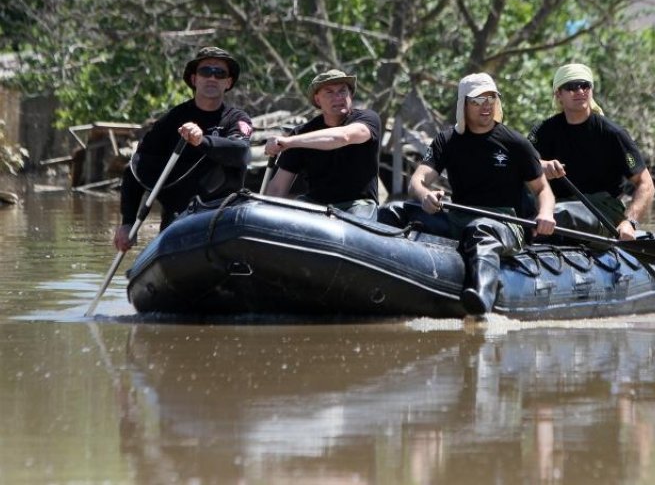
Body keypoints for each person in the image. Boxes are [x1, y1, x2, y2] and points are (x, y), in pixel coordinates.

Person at [379, 73, 556, 316]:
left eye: (491, 98)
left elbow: (543, 189)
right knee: (392, 211)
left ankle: (481, 298)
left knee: (480, 229)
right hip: (459, 217)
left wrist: (545, 213)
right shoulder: (447, 140)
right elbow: (417, 182)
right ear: (464, 103)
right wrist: (425, 196)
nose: (486, 106)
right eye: (477, 100)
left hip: (505, 222)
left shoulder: (515, 142)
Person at [113, 46, 253, 251]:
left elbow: (240, 151)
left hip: (223, 215)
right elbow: (135, 169)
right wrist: (127, 222)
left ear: (228, 82)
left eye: (220, 73)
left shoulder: (237, 119)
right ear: (194, 79)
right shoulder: (171, 121)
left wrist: (201, 141)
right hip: (179, 219)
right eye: (206, 71)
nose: (212, 78)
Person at [527, 62, 655, 241]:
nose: (580, 91)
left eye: (585, 85)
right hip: (555, 207)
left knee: (560, 215)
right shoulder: (543, 131)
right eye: (571, 87)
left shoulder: (613, 134)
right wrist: (541, 165)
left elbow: (645, 184)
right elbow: (520, 166)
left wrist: (630, 222)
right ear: (558, 94)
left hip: (602, 211)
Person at [264, 68, 381, 219]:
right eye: (329, 92)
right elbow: (277, 188)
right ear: (317, 100)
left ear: (351, 95)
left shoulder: (368, 119)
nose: (338, 97)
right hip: (315, 205)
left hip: (358, 205)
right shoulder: (301, 134)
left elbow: (342, 137)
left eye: (342, 91)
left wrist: (288, 142)